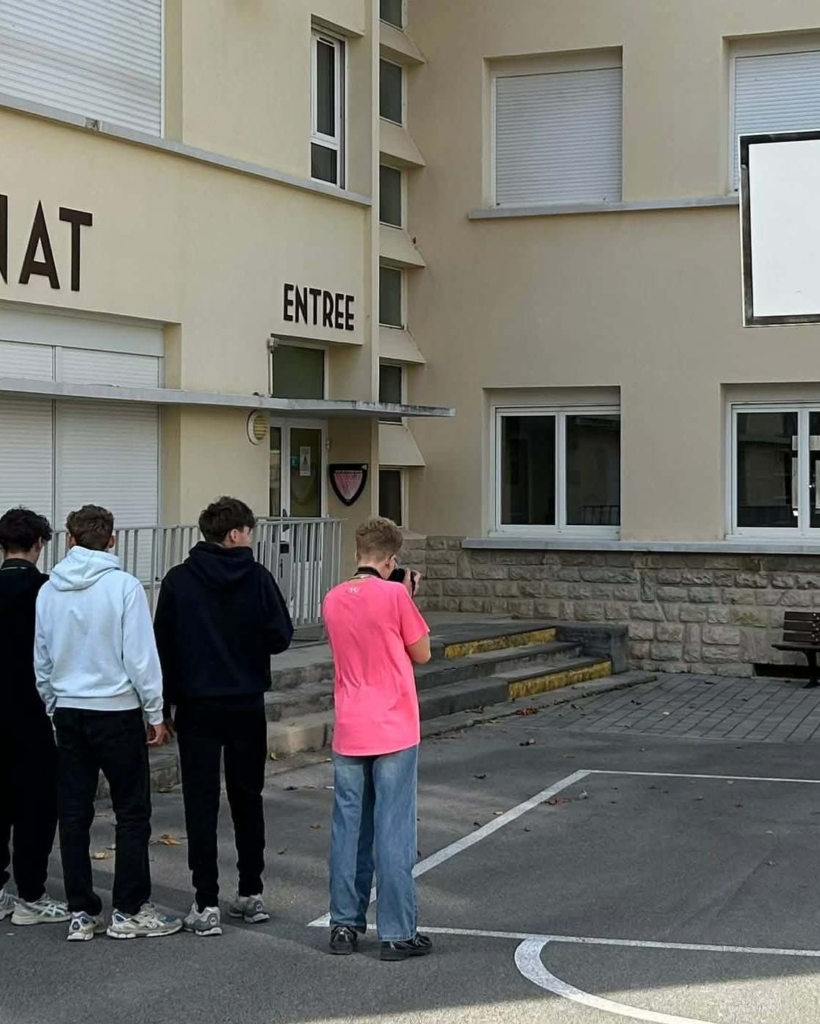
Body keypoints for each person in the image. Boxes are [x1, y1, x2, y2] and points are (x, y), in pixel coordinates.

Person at [34, 505, 182, 942]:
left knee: (73, 813)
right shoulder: (124, 586)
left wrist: (53, 705)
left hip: (69, 709)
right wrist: (154, 712)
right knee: (131, 811)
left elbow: (42, 658)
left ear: (70, 540)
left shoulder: (49, 590)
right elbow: (140, 656)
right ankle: (129, 908)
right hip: (116, 710)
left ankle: (80, 909)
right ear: (112, 540)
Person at [154, 496, 293, 937]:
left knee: (200, 801)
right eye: (248, 531)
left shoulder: (179, 580)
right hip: (245, 700)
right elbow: (281, 636)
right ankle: (250, 891)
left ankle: (206, 900)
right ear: (235, 534)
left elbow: (163, 646)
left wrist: (164, 705)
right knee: (247, 797)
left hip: (197, 703)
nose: (251, 538)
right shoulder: (258, 578)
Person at [322, 516, 433, 962]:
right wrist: (406, 595)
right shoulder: (395, 595)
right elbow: (421, 652)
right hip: (393, 724)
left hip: (350, 723)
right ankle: (397, 931)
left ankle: (343, 924)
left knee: (348, 828)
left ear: (357, 554)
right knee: (393, 829)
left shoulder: (332, 598)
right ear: (391, 560)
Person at [0, 508, 68, 927]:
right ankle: (31, 894)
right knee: (36, 806)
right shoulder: (47, 592)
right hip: (34, 711)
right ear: (40, 544)